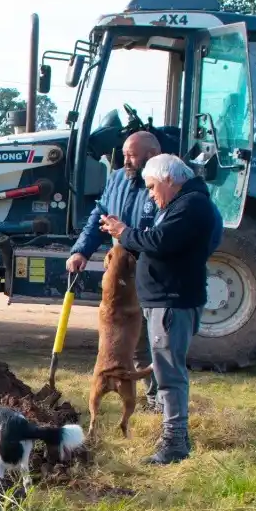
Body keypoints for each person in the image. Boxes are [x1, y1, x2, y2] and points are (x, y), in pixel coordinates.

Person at [100, 153, 222, 465]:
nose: (151, 195)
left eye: (153, 187)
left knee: (169, 373)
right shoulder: (186, 204)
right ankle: (173, 434)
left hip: (172, 302)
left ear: (169, 180)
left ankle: (175, 442)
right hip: (168, 299)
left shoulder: (191, 206)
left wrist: (124, 234)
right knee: (166, 368)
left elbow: (158, 241)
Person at [67, 130, 162, 404]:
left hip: (149, 270)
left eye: (132, 155)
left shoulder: (162, 184)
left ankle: (159, 399)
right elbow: (99, 216)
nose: (126, 161)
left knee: (150, 337)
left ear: (151, 156)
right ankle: (151, 394)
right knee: (127, 339)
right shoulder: (118, 178)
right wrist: (81, 251)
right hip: (119, 275)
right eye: (124, 155)